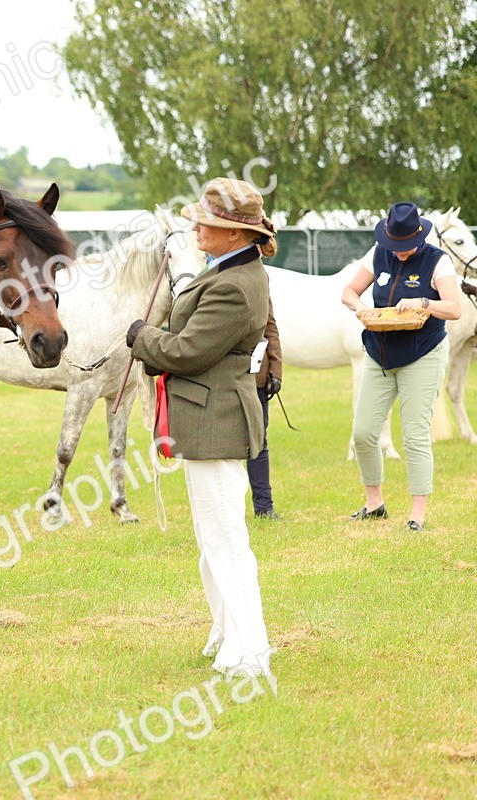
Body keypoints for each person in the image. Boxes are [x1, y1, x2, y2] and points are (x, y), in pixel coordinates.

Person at [125, 177, 277, 678]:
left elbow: (188, 351)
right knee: (211, 539)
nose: (195, 227)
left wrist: (141, 337)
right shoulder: (228, 269)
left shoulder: (235, 285)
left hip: (217, 420)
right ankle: (225, 631)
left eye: (206, 223)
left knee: (226, 540)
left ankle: (252, 649)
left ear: (235, 233)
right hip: (207, 417)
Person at [341, 202, 463, 531]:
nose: (400, 252)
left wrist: (424, 302)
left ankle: (417, 514)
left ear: (420, 237)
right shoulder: (378, 253)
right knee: (363, 432)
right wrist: (362, 309)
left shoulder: (438, 261)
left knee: (414, 436)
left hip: (422, 354)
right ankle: (374, 502)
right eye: (394, 246)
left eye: (405, 246)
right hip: (378, 354)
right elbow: (349, 291)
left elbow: (454, 308)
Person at [248, 303, 283, 519]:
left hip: (257, 377)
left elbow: (270, 325)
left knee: (259, 442)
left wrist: (276, 370)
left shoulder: (261, 277)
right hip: (224, 378)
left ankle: (264, 508)